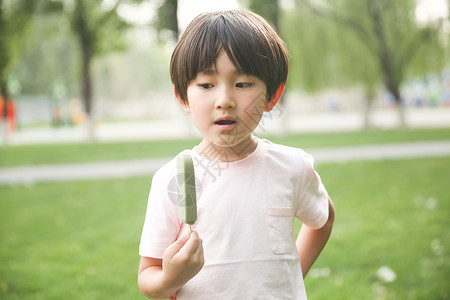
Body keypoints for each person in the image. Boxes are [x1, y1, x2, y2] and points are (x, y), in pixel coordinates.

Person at [138, 10, 335, 299]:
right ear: (182, 96)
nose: (225, 101)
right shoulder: (173, 180)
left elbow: (323, 218)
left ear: (272, 96)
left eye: (242, 84)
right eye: (206, 85)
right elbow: (148, 277)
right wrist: (170, 277)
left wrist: (293, 279)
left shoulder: (292, 167)